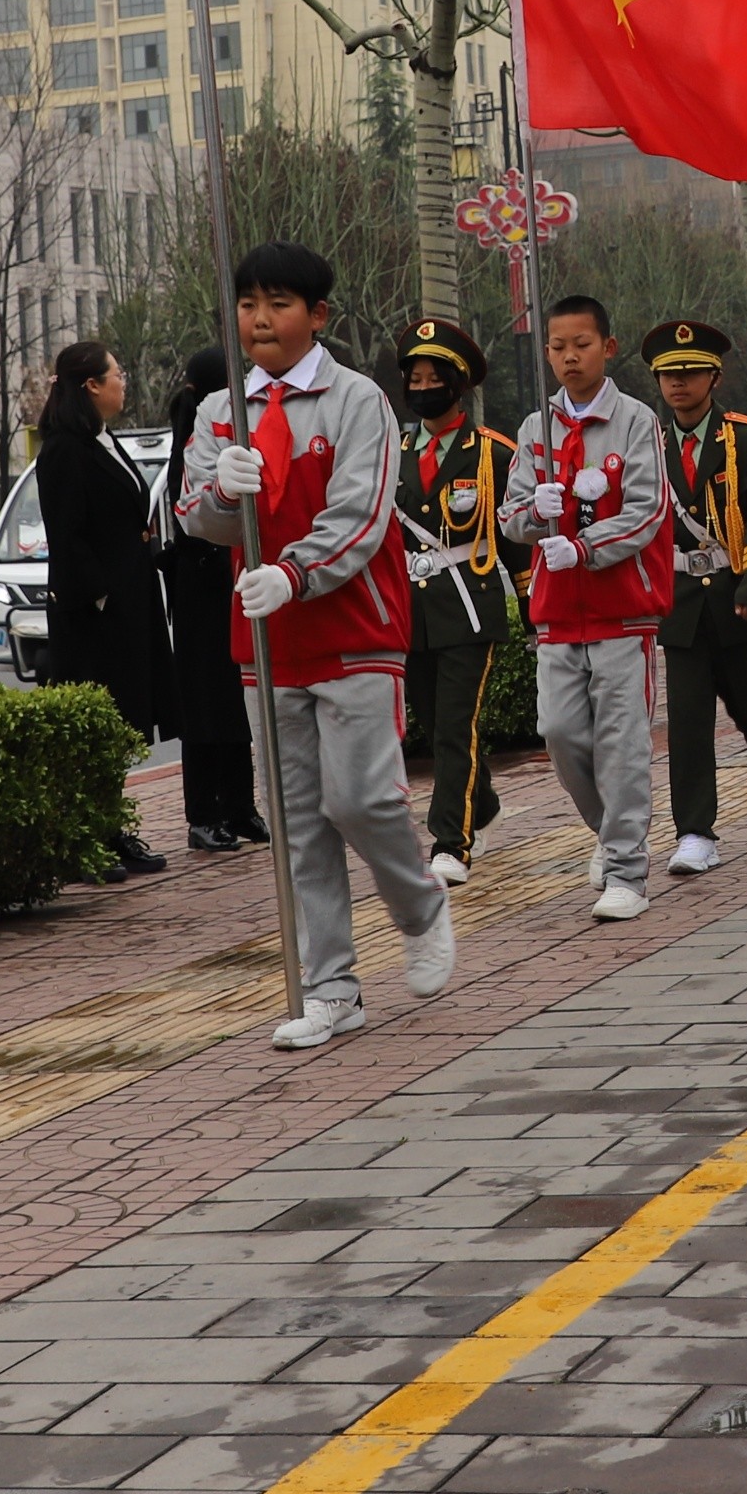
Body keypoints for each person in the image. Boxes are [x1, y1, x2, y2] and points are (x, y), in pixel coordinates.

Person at [176, 244, 459, 1048]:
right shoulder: (218, 411)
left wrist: (295, 576)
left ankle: (418, 903)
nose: (260, 319)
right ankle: (331, 987)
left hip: (354, 628)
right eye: (247, 304)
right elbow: (198, 515)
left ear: (317, 315)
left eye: (279, 303)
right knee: (297, 819)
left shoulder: (356, 400)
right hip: (265, 642)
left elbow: (363, 519)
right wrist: (220, 495)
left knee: (360, 799)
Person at [501, 293, 673, 921]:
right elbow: (513, 516)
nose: (569, 357)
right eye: (557, 347)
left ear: (608, 346)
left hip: (620, 608)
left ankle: (628, 869)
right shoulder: (533, 427)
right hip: (556, 611)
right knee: (561, 731)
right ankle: (611, 834)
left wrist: (584, 546)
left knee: (622, 741)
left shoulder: (634, 421)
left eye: (581, 344)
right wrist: (532, 513)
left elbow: (647, 511)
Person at [645, 317, 747, 873]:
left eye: (689, 373)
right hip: (680, 597)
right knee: (686, 721)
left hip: (737, 591)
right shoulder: (650, 443)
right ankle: (695, 833)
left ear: (714, 376)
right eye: (668, 375)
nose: (678, 384)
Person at [33, 340, 173, 877]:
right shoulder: (65, 449)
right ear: (90, 384)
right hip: (95, 616)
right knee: (98, 728)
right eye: (117, 373)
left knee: (121, 725)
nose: (124, 381)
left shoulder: (102, 440)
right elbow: (67, 534)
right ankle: (87, 841)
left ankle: (110, 832)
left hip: (129, 603)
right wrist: (101, 594)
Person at [396, 318, 511, 886]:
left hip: (469, 604)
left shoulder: (491, 453)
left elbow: (517, 540)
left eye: (431, 377)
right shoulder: (390, 452)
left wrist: (538, 606)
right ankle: (482, 805)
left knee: (453, 726)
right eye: (413, 378)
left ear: (456, 384)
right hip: (409, 612)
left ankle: (451, 841)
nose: (421, 388)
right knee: (436, 723)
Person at [152, 348, 266, 851]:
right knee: (204, 704)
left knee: (235, 700)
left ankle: (240, 806)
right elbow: (192, 510)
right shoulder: (194, 435)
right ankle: (204, 813)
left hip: (228, 580)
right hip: (200, 586)